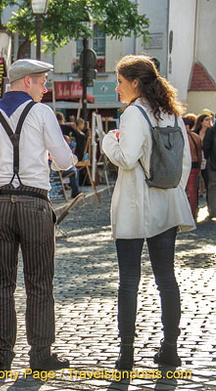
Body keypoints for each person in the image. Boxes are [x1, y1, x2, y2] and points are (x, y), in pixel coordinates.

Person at [0, 59, 75, 372]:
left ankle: (0, 356)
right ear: (27, 81)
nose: (45, 88)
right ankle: (40, 355)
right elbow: (64, 161)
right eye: (42, 82)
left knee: (0, 283)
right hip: (34, 204)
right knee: (39, 283)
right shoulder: (42, 113)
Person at [102, 55, 195, 370]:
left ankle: (126, 354)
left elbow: (127, 158)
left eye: (119, 81)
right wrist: (170, 189)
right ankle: (170, 349)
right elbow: (183, 164)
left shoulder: (133, 114)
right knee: (166, 278)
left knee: (129, 280)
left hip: (134, 206)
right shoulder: (171, 114)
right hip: (166, 204)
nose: (117, 88)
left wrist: (107, 142)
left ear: (135, 83)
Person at [192, 114, 214, 206]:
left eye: (210, 120)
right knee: (194, 186)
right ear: (201, 122)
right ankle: (194, 206)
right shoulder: (195, 133)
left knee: (209, 185)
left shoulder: (212, 132)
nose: (209, 121)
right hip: (197, 161)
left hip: (208, 161)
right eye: (206, 120)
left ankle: (210, 206)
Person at [183, 116, 202, 218]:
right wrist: (199, 168)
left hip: (184, 164)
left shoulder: (182, 136)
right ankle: (193, 212)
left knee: (183, 189)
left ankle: (185, 213)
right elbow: (199, 154)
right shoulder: (196, 137)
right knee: (192, 190)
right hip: (194, 164)